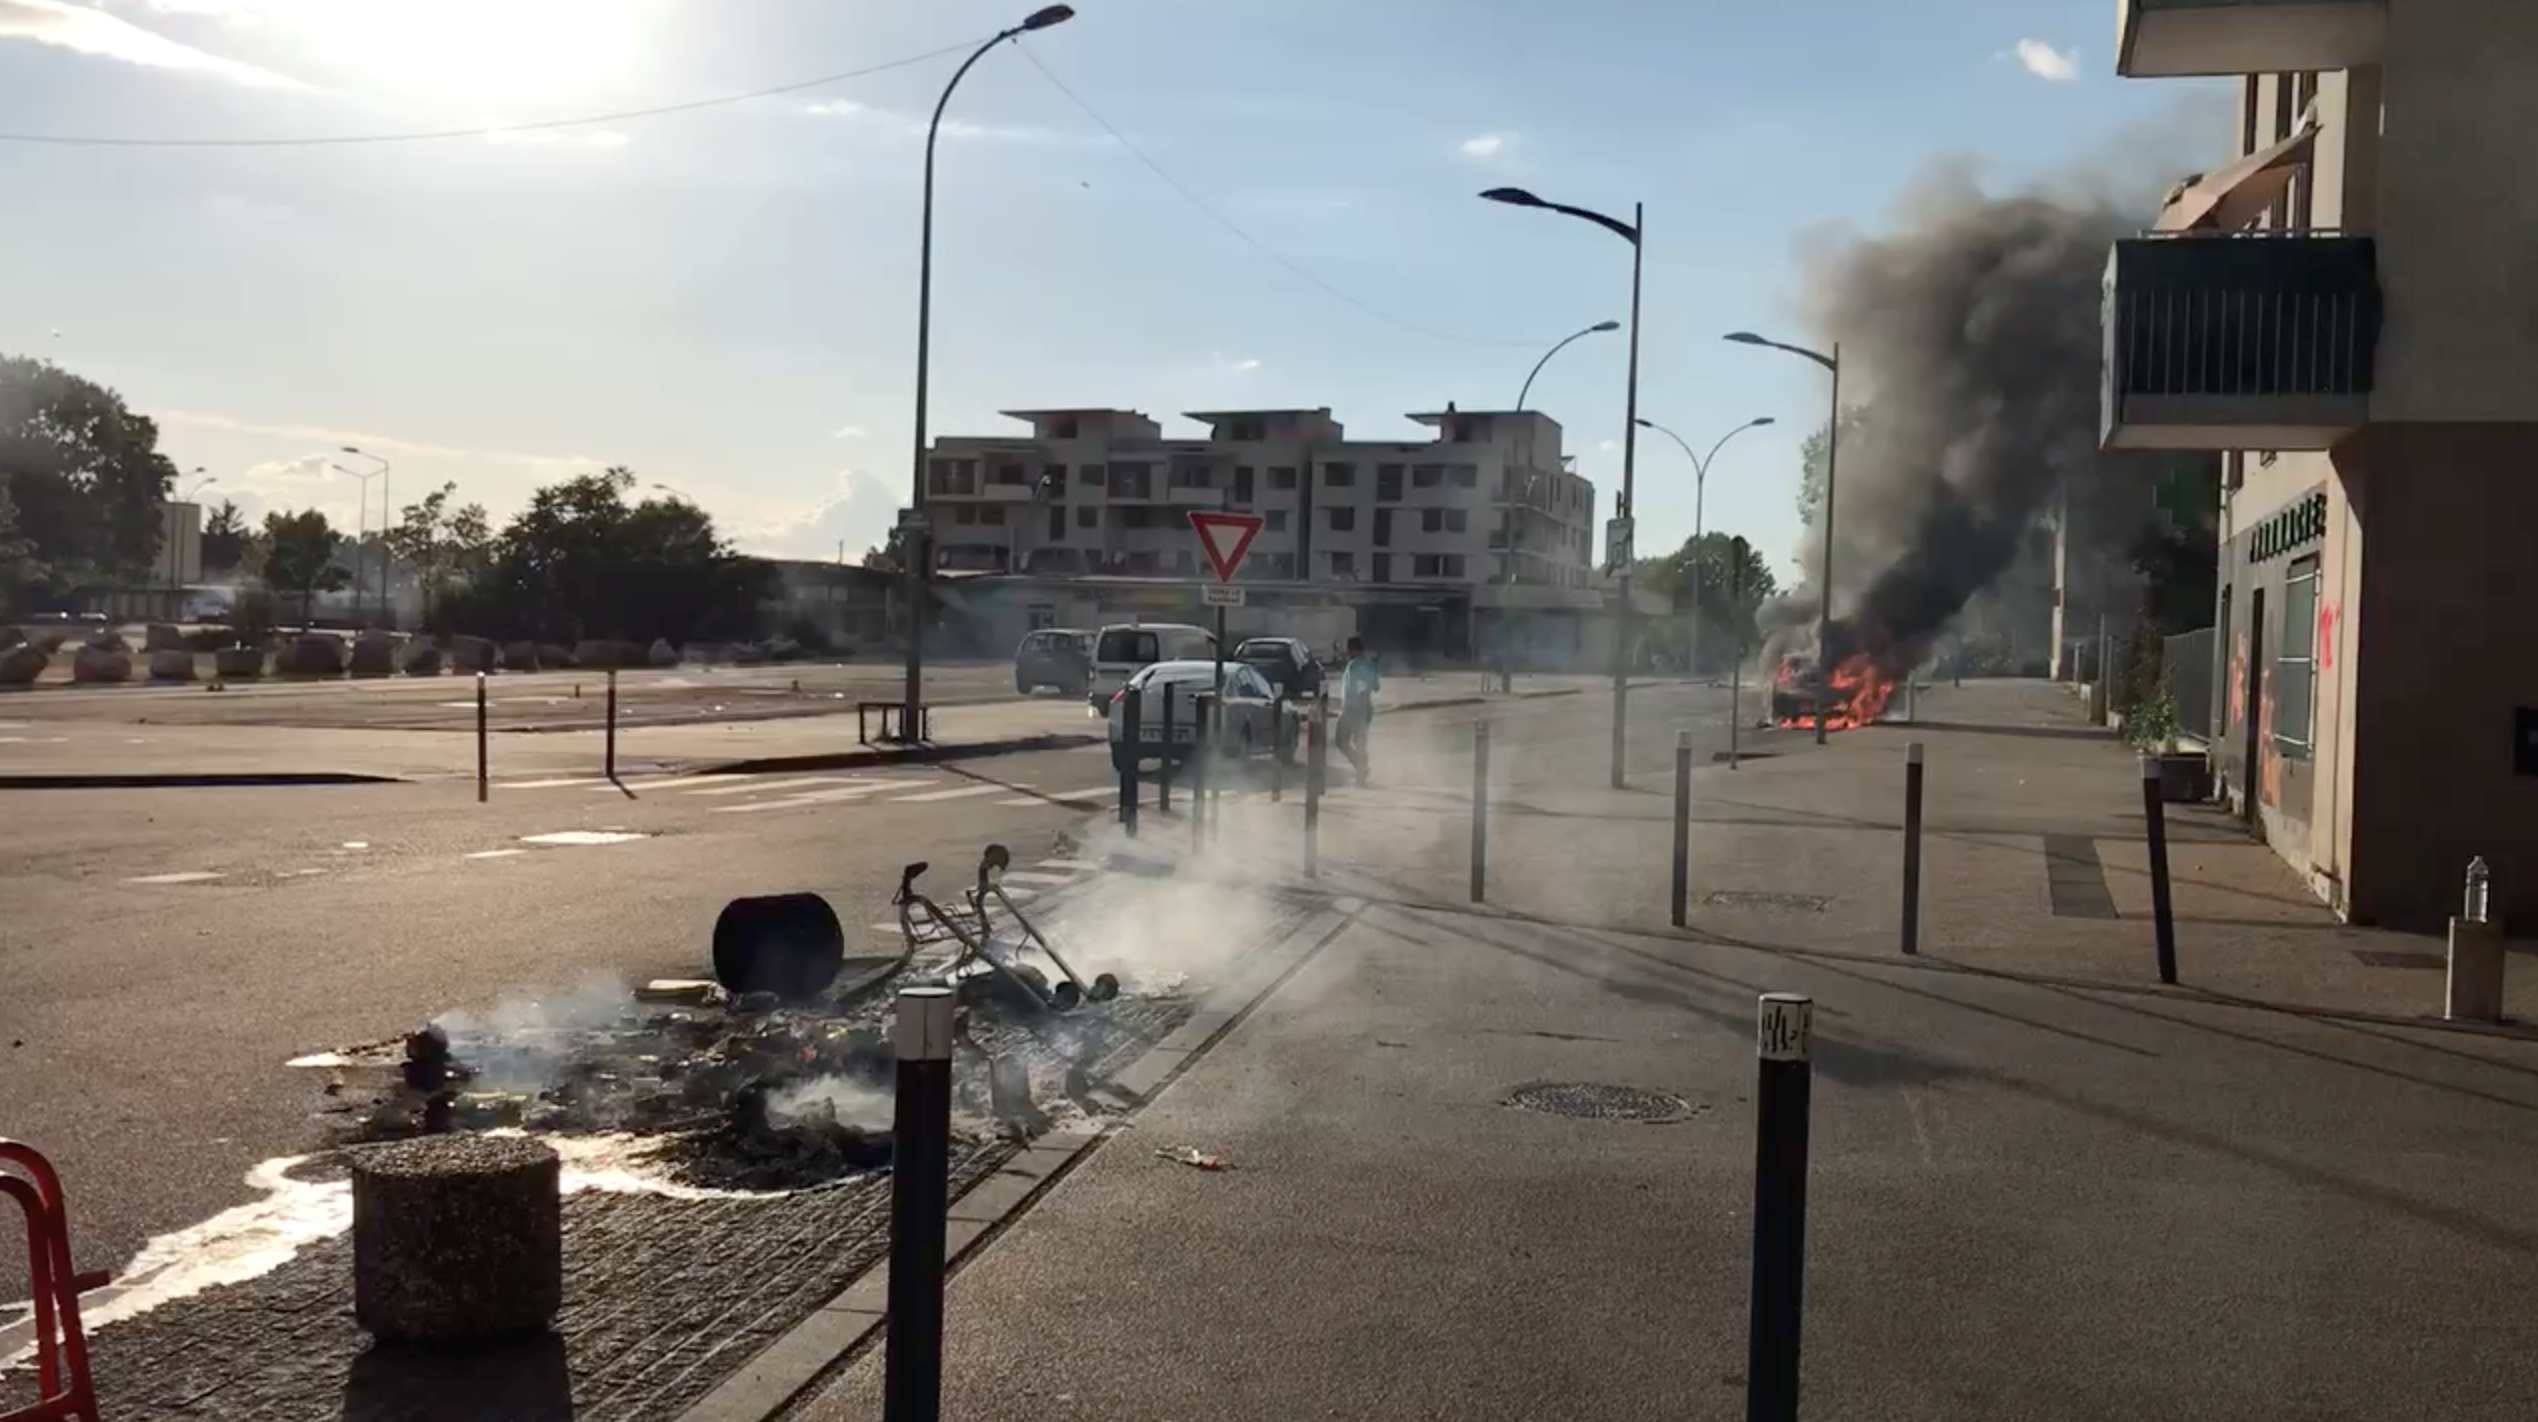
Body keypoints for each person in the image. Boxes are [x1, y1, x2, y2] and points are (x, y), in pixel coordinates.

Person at [1334, 635, 1380, 784]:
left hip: (1354, 708)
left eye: (1349, 650)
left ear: (1353, 650)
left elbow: (1361, 686)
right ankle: (1361, 771)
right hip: (1365, 708)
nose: (1347, 653)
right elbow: (1376, 686)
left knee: (1341, 740)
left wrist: (1360, 692)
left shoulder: (1355, 665)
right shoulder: (1368, 664)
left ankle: (1361, 769)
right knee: (1360, 741)